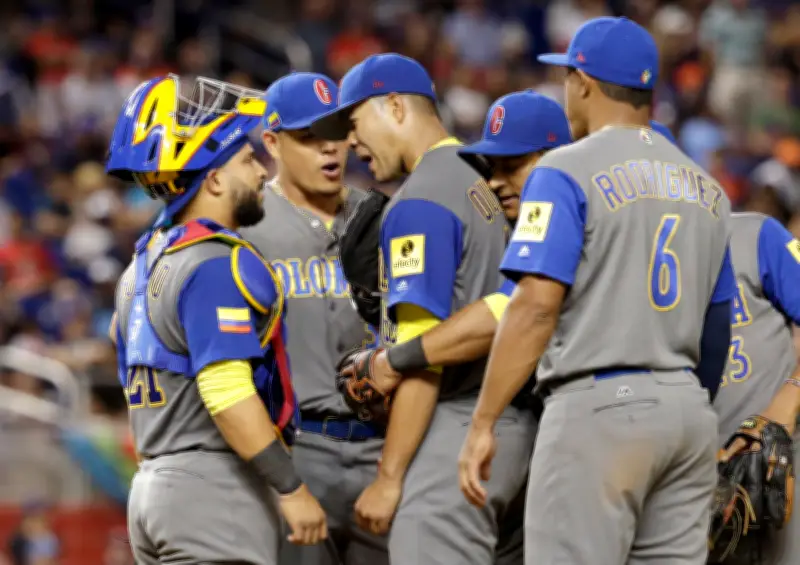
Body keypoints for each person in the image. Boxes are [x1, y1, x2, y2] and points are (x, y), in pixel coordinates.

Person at [458, 17, 736, 565]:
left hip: (599, 408)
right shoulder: (707, 187)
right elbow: (718, 329)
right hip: (686, 412)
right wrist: (679, 400)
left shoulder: (564, 169)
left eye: (566, 78)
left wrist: (483, 421)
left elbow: (535, 306)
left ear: (582, 82)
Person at [311, 53, 535, 565]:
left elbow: (423, 356)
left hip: (458, 427)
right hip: (518, 426)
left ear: (393, 105)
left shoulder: (420, 198)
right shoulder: (485, 176)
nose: (349, 143)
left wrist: (388, 478)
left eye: (353, 123)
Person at [107, 75, 327, 564]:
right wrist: (291, 488)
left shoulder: (141, 264)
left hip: (153, 486)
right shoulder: (215, 261)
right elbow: (226, 392)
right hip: (212, 488)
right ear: (214, 178)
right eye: (248, 159)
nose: (262, 172)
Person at [239, 71, 389, 565]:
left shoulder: (383, 216)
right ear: (273, 142)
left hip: (383, 447)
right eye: (308, 138)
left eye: (335, 133)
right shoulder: (247, 225)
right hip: (299, 450)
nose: (329, 150)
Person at [711, 212, 800, 565]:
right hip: (693, 471)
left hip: (775, 456)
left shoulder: (752, 235)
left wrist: (789, 396)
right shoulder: (625, 261)